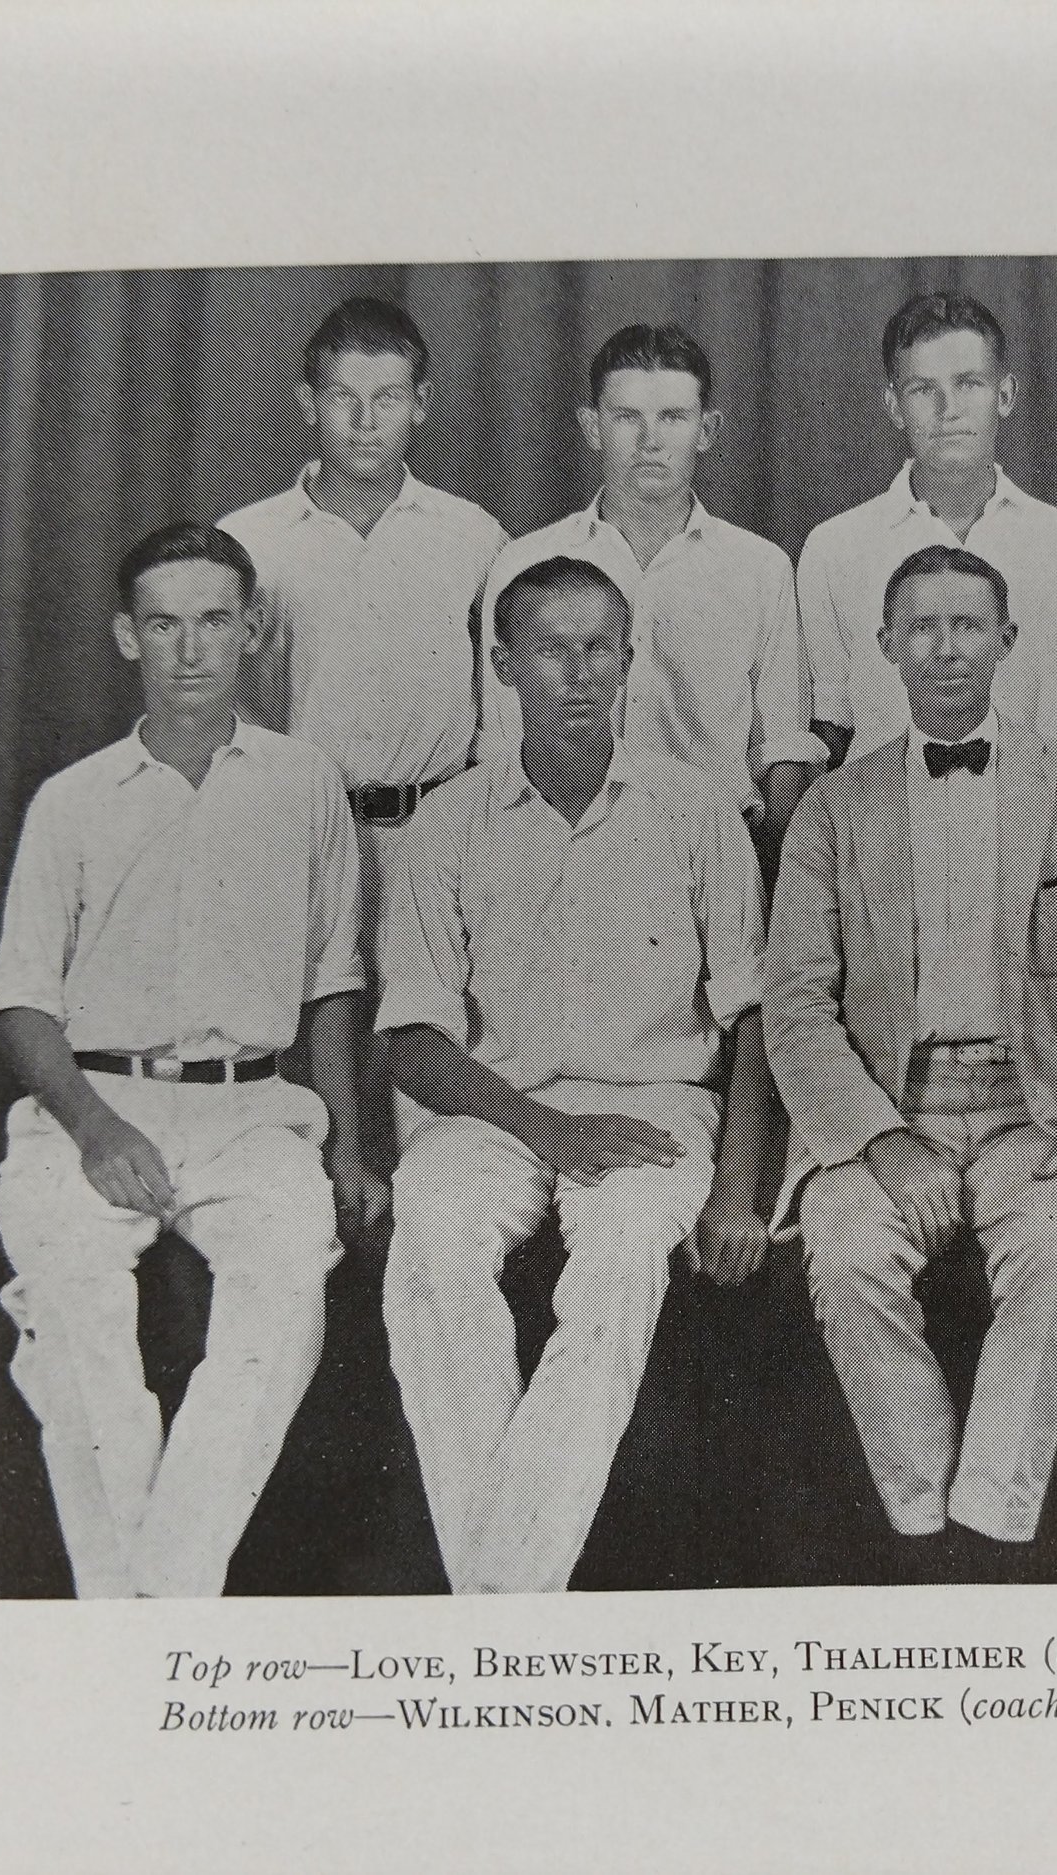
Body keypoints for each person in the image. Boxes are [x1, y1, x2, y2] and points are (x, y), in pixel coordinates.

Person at [0, 522, 385, 1599]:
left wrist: (345, 1141)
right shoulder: (70, 801)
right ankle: (156, 1619)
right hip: (94, 1101)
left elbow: (329, 986)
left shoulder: (305, 784)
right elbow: (20, 1004)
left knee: (284, 1291)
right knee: (71, 1306)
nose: (191, 648)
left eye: (214, 621)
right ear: (127, 637)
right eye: (164, 623)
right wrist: (95, 1128)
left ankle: (151, 1596)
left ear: (250, 630)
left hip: (254, 1113)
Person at [375, 556, 775, 1594]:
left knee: (627, 1244)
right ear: (503, 664)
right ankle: (511, 1595)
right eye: (551, 650)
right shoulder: (446, 825)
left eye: (600, 647)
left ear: (630, 661)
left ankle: (495, 1595)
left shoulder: (696, 812)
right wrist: (547, 1135)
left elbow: (756, 1022)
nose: (579, 673)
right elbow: (413, 1043)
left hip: (656, 1108)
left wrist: (735, 1189)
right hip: (491, 1110)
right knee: (431, 1233)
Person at [765, 544, 1057, 1581]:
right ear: (885, 647)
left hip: (1035, 1114)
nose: (944, 649)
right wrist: (882, 1143)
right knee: (841, 1253)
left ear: (1007, 643)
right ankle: (922, 1524)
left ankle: (991, 1531)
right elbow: (794, 1006)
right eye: (921, 628)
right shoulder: (833, 808)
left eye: (967, 625)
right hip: (887, 1113)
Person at [476, 324, 825, 858]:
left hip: (713, 850)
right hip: (557, 847)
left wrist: (774, 875)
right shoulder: (523, 564)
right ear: (592, 426)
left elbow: (782, 748)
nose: (650, 442)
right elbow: (501, 744)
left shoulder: (760, 569)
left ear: (707, 429)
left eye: (673, 417)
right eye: (626, 417)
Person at [218, 295, 509, 925]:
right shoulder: (249, 541)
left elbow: (500, 708)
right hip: (296, 839)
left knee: (428, 1021)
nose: (364, 422)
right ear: (308, 402)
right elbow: (225, 710)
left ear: (420, 405)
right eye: (343, 398)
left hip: (439, 838)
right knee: (309, 1019)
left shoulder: (474, 537)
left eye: (388, 399)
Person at [797, 291, 1057, 769]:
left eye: (969, 384)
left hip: (1033, 829)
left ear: (1004, 395)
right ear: (895, 406)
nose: (948, 409)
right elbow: (830, 729)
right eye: (923, 389)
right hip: (882, 830)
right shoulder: (834, 549)